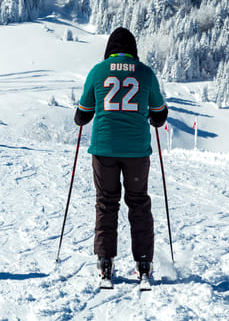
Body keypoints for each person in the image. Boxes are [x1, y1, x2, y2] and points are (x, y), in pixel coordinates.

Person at [74, 27, 168, 286]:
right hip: (137, 151)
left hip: (104, 149)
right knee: (138, 203)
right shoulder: (145, 73)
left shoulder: (98, 71)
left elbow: (83, 113)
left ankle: (105, 262)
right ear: (133, 50)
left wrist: (81, 116)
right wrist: (153, 116)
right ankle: (144, 263)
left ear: (109, 50)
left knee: (106, 202)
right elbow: (159, 115)